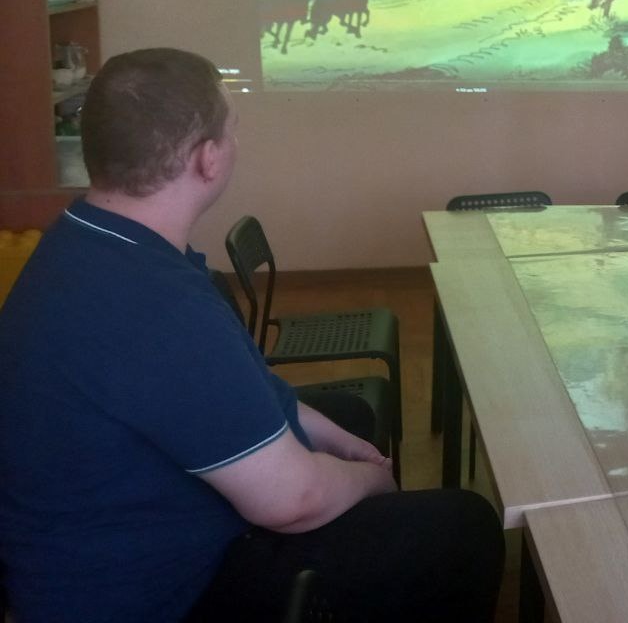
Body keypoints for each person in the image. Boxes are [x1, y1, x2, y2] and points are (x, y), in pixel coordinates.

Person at [0, 48, 504, 622]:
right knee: (465, 528)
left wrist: (332, 440)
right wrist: (369, 481)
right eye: (232, 128)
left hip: (109, 541)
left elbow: (231, 380)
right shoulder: (154, 302)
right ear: (208, 159)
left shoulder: (92, 242)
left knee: (348, 418)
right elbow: (293, 502)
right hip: (162, 593)